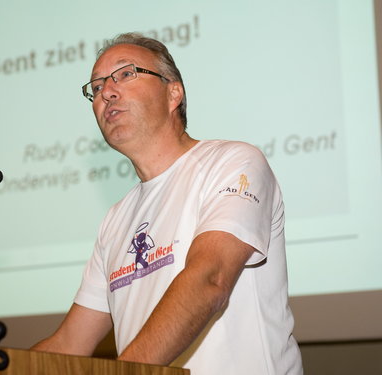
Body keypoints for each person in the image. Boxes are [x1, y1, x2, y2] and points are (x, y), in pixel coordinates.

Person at [32, 32, 303, 375]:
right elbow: (69, 345)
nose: (107, 92)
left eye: (126, 74)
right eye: (96, 87)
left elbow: (210, 278)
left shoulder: (232, 162)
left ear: (174, 92)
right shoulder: (116, 218)